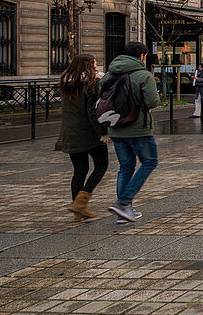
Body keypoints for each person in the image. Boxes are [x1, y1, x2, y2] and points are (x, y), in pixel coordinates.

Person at [104, 41, 160, 223]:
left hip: (115, 127)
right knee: (150, 161)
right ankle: (124, 201)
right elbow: (152, 102)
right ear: (142, 56)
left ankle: (124, 211)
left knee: (125, 166)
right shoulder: (143, 75)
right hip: (138, 128)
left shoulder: (108, 75)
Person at [58, 54, 109, 221]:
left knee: (79, 170)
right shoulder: (91, 84)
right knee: (101, 165)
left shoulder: (67, 82)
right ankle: (81, 203)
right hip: (88, 133)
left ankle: (77, 211)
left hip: (70, 132)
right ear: (88, 66)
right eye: (94, 65)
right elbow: (92, 112)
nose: (96, 68)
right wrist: (102, 133)